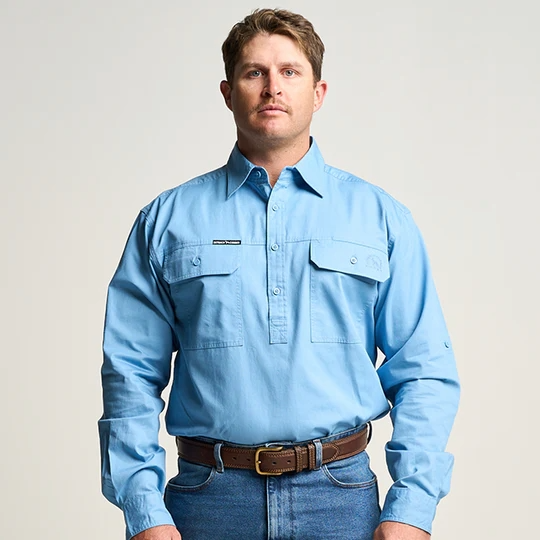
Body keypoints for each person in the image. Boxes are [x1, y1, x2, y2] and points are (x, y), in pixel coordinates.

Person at [99, 8, 460, 540]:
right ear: (228, 93)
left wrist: (412, 506)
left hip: (341, 501)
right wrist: (143, 510)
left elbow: (424, 368)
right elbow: (129, 372)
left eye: (290, 71)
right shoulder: (167, 220)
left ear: (318, 92)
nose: (273, 87)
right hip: (207, 502)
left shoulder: (380, 219)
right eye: (255, 73)